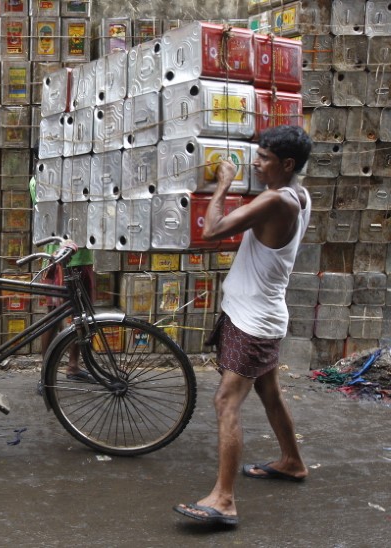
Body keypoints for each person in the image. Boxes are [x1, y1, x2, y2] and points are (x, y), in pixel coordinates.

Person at [173, 125, 313, 527]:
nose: (256, 163)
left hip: (253, 321)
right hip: (260, 314)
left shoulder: (276, 201)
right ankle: (291, 461)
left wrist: (223, 185)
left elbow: (212, 230)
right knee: (269, 391)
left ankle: (223, 500)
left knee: (225, 402)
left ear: (286, 164)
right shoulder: (300, 195)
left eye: (264, 158)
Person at [29, 177, 96, 381]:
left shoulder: (87, 171)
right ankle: (45, 372)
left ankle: (73, 366)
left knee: (82, 314)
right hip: (58, 258)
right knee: (53, 316)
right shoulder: (41, 180)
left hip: (83, 255)